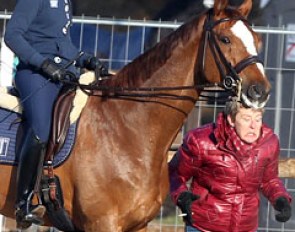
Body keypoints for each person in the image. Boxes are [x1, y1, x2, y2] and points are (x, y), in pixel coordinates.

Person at [4, 0, 108, 228]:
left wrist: (84, 58)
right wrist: (44, 64)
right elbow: (12, 35)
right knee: (41, 130)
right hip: (35, 74)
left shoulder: (65, 2)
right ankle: (23, 204)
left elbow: (61, 43)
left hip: (62, 73)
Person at [169, 99, 292, 232]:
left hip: (246, 226)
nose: (253, 126)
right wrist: (181, 196)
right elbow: (175, 173)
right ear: (231, 120)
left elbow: (269, 180)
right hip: (204, 226)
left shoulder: (269, 143)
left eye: (258, 119)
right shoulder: (201, 141)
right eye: (246, 119)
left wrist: (280, 199)